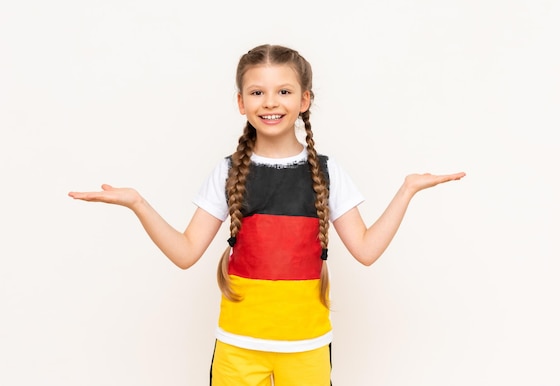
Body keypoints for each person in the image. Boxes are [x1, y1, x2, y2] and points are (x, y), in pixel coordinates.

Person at [68, 44, 465, 385]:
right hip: (238, 348)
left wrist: (407, 190)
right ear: (241, 102)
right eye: (257, 91)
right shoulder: (227, 172)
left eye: (284, 91)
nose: (270, 102)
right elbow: (186, 252)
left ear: (304, 100)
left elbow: (365, 249)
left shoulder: (327, 173)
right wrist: (139, 203)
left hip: (307, 348)